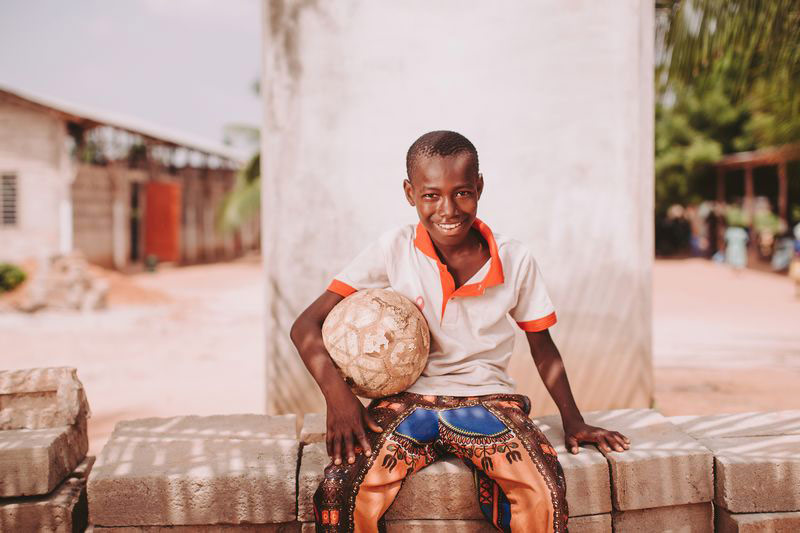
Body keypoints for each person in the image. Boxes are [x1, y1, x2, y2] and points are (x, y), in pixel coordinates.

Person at [290, 130, 631, 533]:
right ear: (409, 193)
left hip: (490, 401)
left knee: (545, 492)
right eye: (431, 195)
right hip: (405, 402)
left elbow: (542, 347)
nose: (447, 209)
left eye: (462, 193)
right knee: (340, 490)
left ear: (480, 187)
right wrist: (339, 398)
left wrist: (573, 420)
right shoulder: (393, 248)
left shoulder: (514, 258)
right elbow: (304, 326)